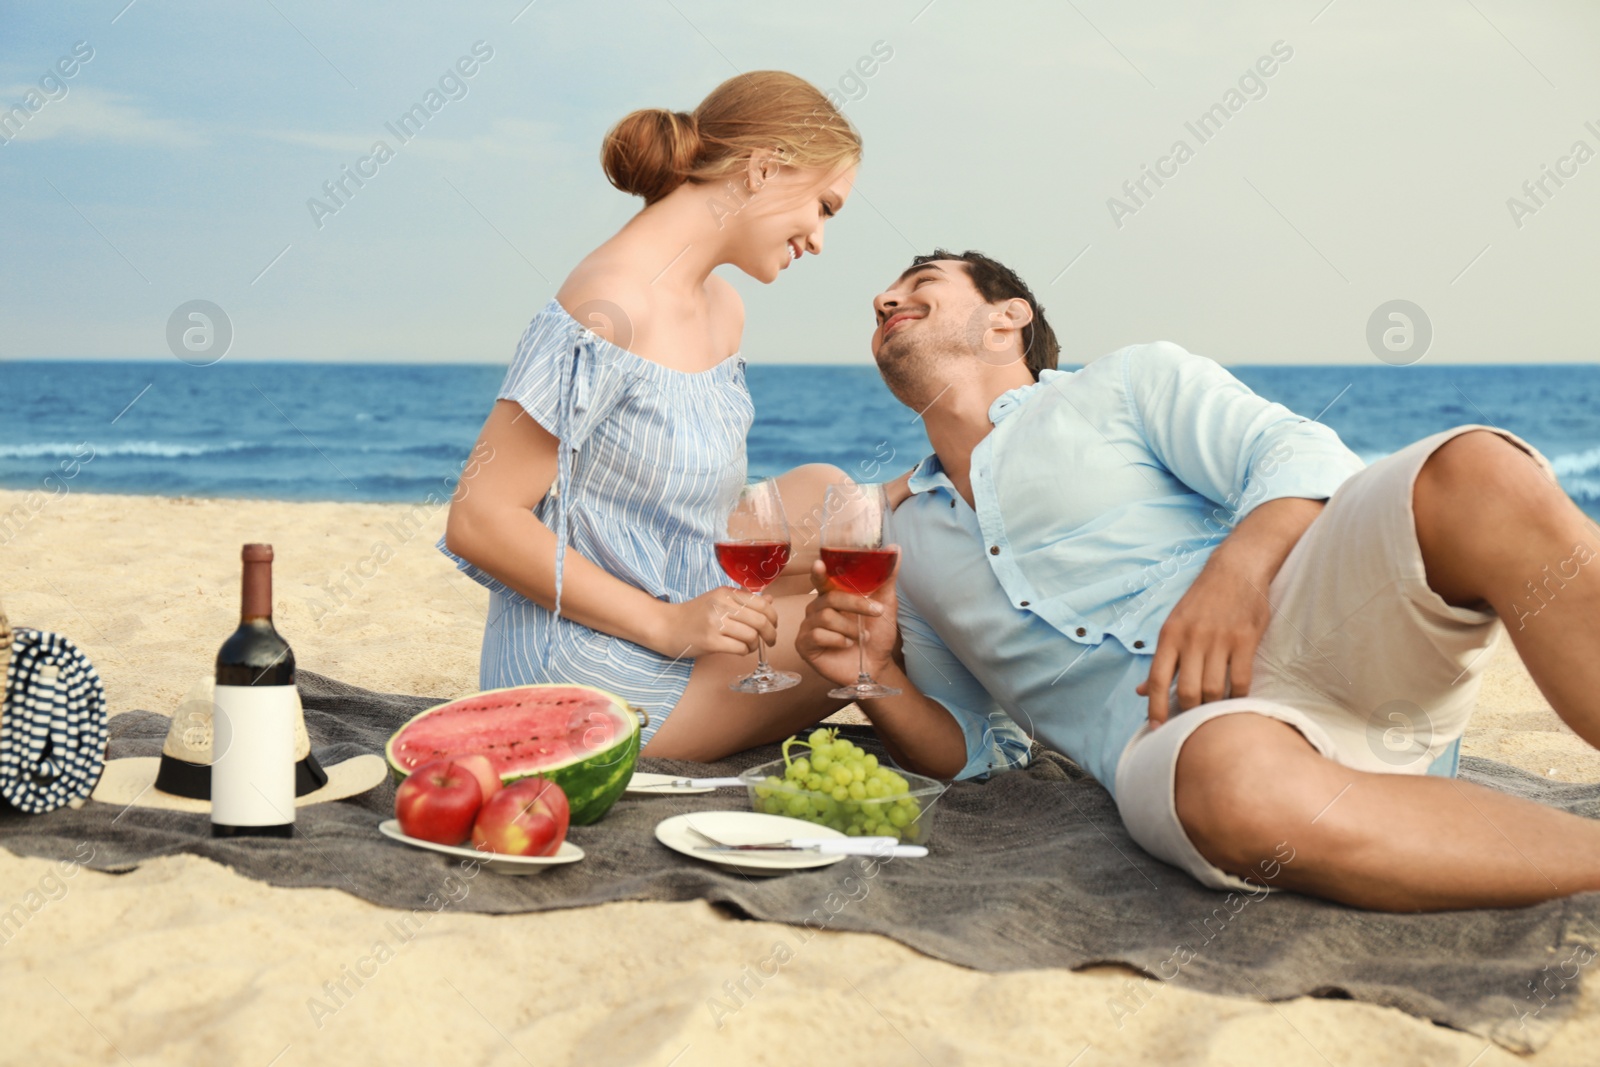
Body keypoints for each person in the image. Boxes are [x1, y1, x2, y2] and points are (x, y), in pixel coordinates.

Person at [795, 248, 1600, 912]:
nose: (883, 297)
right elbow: (976, 752)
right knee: (1234, 792)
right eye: (883, 301)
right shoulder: (903, 538)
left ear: (1009, 317)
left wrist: (1237, 573)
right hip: (1178, 739)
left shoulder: (1125, 383)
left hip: (1313, 611)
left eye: (920, 283)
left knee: (1481, 473)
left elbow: (1298, 455)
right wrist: (873, 676)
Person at [443, 71, 860, 759]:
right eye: (824, 206)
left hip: (679, 598)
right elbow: (479, 519)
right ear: (763, 169)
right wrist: (669, 625)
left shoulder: (723, 309)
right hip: (590, 669)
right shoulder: (610, 306)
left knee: (836, 503)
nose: (818, 238)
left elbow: (677, 514)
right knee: (874, 627)